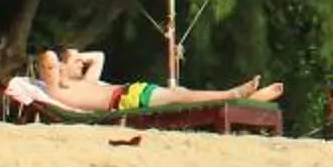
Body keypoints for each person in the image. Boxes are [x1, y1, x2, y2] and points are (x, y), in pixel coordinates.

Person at [30, 49, 282, 114]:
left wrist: (77, 58)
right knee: (179, 95)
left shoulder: (87, 82)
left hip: (134, 91)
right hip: (127, 99)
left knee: (179, 92)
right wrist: (64, 63)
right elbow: (48, 60)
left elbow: (99, 57)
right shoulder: (59, 88)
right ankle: (232, 94)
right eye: (76, 63)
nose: (82, 64)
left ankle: (244, 98)